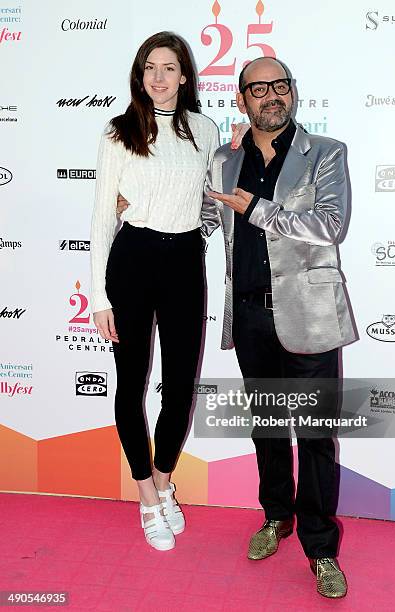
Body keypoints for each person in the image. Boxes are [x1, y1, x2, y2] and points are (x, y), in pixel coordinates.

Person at [202, 56, 357, 598]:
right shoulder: (223, 159)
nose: (271, 96)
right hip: (249, 316)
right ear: (240, 99)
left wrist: (258, 208)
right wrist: (141, 206)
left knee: (316, 438)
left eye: (280, 86)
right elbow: (204, 216)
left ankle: (320, 549)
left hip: (310, 317)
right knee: (268, 430)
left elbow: (331, 225)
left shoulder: (326, 153)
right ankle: (276, 517)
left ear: (293, 92)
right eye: (258, 88)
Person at [90, 31, 246, 551]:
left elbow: (211, 189)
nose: (158, 77)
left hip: (184, 260)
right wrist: (99, 297)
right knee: (130, 383)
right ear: (140, 75)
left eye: (169, 68)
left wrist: (237, 149)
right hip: (131, 259)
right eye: (149, 68)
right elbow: (98, 219)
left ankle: (163, 480)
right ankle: (146, 498)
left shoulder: (204, 128)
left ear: (185, 76)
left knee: (180, 385)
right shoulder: (119, 131)